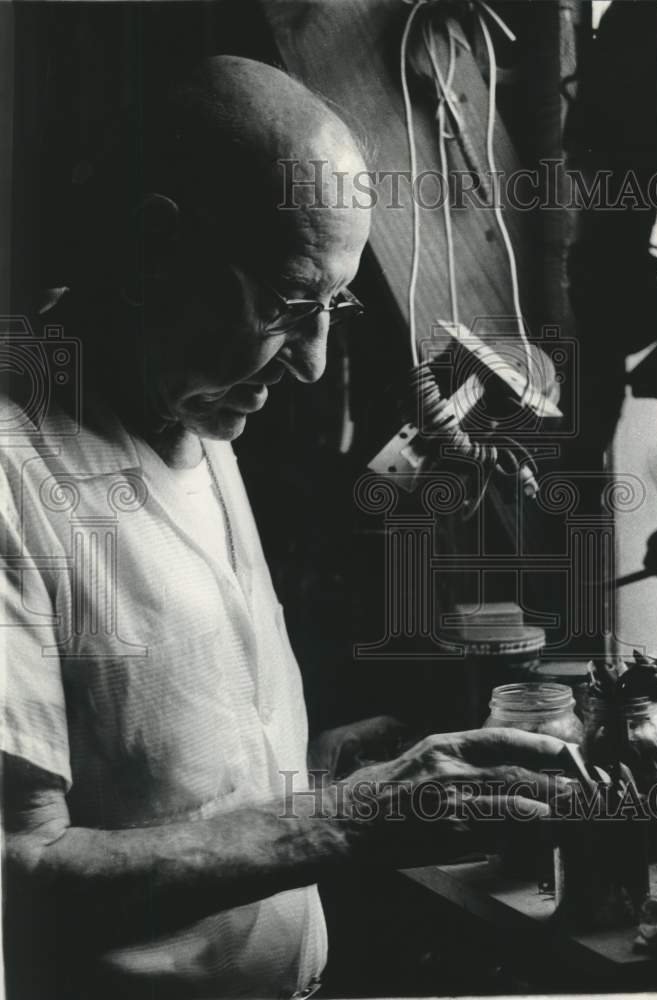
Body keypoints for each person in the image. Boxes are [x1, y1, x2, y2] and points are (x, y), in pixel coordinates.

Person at [1, 56, 574, 1000]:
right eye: (285, 304)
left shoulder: (191, 398)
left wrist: (308, 775)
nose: (311, 363)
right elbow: (20, 881)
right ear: (155, 251)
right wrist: (341, 822)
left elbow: (149, 776)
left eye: (333, 306)